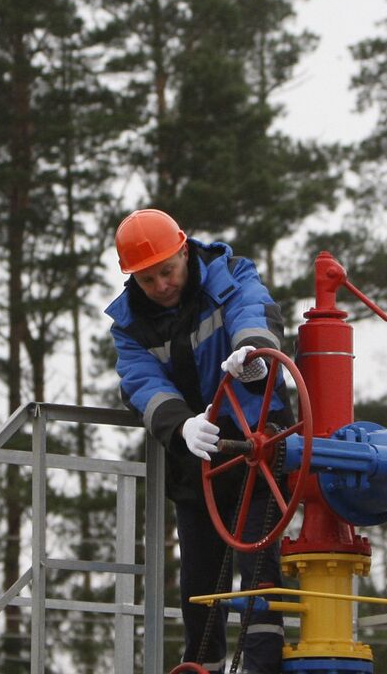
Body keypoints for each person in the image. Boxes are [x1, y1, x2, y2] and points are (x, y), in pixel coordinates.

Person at [106, 208, 289, 673]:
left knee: (260, 578)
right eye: (147, 280)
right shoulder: (130, 328)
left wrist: (253, 351)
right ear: (134, 281)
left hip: (257, 449)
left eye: (166, 271)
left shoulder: (231, 276)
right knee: (198, 586)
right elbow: (141, 383)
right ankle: (200, 665)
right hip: (197, 459)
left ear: (184, 251)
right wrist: (181, 425)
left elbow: (253, 308)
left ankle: (262, 667)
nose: (161, 286)